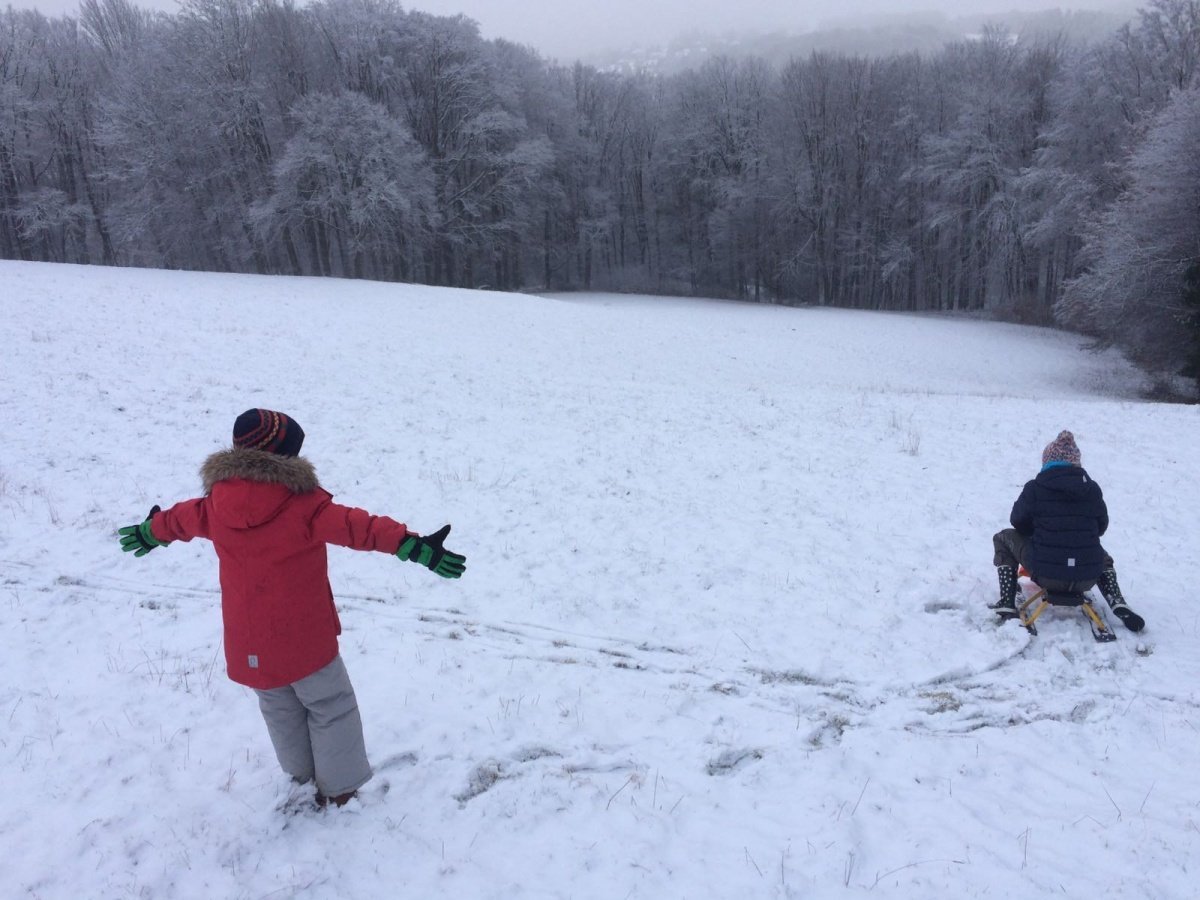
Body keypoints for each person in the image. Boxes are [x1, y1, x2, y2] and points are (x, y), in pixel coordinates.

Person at [117, 409, 466, 807]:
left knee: (279, 708)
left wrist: (149, 531)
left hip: (249, 644)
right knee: (330, 706)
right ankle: (340, 789)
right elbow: (359, 527)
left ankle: (301, 779)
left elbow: (175, 521)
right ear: (283, 457)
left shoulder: (213, 506)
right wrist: (412, 545)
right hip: (304, 639)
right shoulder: (304, 507)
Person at [990, 429, 1142, 631]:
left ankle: (1007, 602)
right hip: (1087, 576)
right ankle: (1117, 600)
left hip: (1045, 572)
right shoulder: (1092, 489)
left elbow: (1018, 522)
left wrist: (1038, 533)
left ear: (1047, 461)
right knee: (1099, 553)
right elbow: (1100, 528)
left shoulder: (1035, 488)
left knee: (1003, 537)